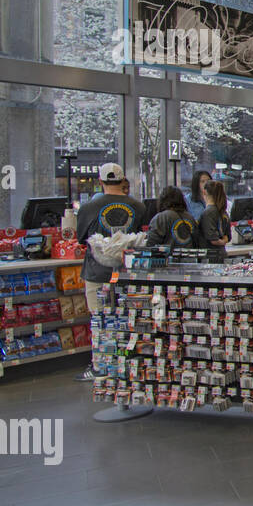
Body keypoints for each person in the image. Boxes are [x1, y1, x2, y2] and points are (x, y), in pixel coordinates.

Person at [76, 163, 149, 381]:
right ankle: (129, 363)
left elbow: (81, 239)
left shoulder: (88, 207)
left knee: (99, 319)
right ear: (122, 180)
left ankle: (100, 366)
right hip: (129, 273)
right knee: (128, 318)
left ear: (100, 182)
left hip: (97, 272)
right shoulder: (139, 207)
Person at [199, 179, 231, 253]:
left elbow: (213, 240)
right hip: (222, 252)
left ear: (204, 192)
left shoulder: (208, 213)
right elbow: (227, 237)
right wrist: (223, 241)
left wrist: (221, 242)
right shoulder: (223, 212)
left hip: (210, 255)